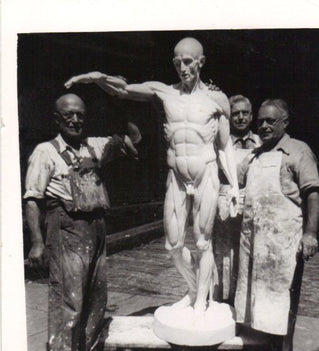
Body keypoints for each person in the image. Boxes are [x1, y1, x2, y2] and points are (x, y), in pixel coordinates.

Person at [65, 37, 238, 316]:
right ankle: (194, 289)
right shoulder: (164, 92)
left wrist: (234, 187)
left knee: (203, 241)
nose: (182, 68)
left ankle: (203, 301)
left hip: (205, 173)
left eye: (188, 62)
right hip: (177, 177)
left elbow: (225, 145)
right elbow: (123, 90)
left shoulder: (216, 100)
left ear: (201, 62)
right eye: (177, 62)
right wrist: (97, 78)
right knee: (173, 245)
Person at [24, 93, 139, 351]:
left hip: (96, 226)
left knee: (96, 296)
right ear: (57, 119)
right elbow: (33, 199)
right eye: (68, 115)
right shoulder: (44, 152)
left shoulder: (93, 146)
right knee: (68, 300)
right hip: (66, 226)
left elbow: (132, 137)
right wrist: (37, 242)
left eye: (80, 115)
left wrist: (118, 96)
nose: (75, 120)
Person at [234, 99, 319, 351]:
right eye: (261, 121)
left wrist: (310, 234)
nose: (265, 125)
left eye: (272, 121)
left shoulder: (298, 151)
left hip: (285, 243)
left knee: (283, 302)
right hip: (257, 242)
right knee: (260, 300)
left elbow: (313, 194)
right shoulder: (255, 156)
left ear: (285, 122)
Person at [213, 95, 261, 303]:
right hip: (225, 200)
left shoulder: (260, 142)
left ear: (251, 116)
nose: (240, 118)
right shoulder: (220, 143)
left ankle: (243, 302)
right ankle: (223, 298)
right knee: (224, 251)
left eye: (245, 113)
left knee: (247, 249)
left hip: (251, 199)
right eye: (236, 114)